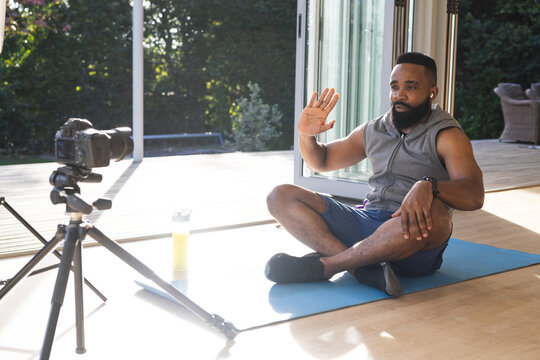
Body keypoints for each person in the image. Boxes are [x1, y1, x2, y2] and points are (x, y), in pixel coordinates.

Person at [264, 52, 484, 297]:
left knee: (437, 214)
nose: (399, 95)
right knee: (279, 196)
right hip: (366, 222)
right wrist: (306, 135)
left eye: (410, 87)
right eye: (395, 87)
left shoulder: (447, 135)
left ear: (432, 93)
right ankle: (362, 268)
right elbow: (321, 160)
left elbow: (474, 194)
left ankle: (329, 266)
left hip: (412, 238)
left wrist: (430, 185)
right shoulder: (375, 129)